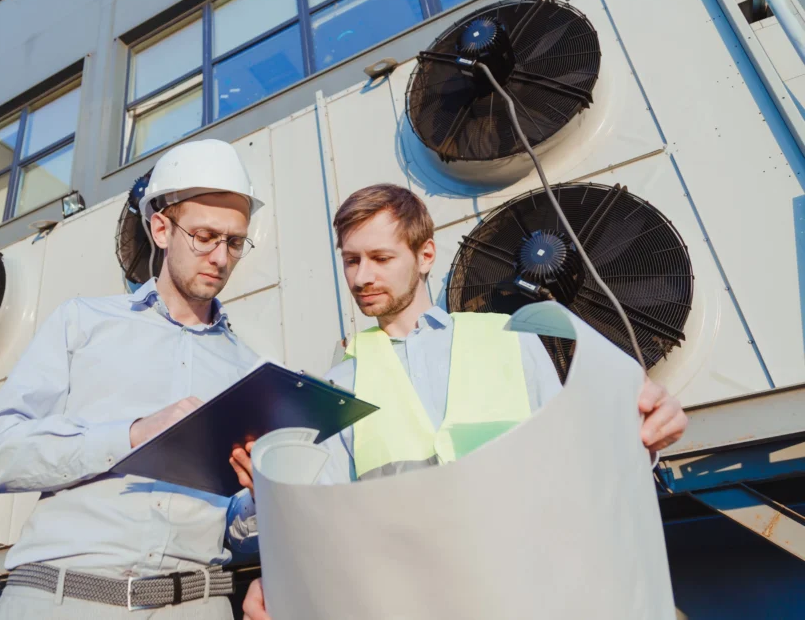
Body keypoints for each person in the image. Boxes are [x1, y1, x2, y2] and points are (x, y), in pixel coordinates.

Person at [235, 184, 688, 620]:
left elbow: (575, 468)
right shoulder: (338, 387)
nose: (361, 277)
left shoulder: (512, 342)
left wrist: (638, 439)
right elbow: (326, 525)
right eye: (351, 260)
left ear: (425, 255)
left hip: (534, 595)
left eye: (380, 258)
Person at [0, 139, 266, 619]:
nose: (221, 258)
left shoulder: (248, 370)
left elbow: (235, 531)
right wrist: (131, 435)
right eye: (205, 236)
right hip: (60, 601)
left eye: (233, 242)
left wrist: (262, 500)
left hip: (194, 605)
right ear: (161, 229)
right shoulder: (82, 323)